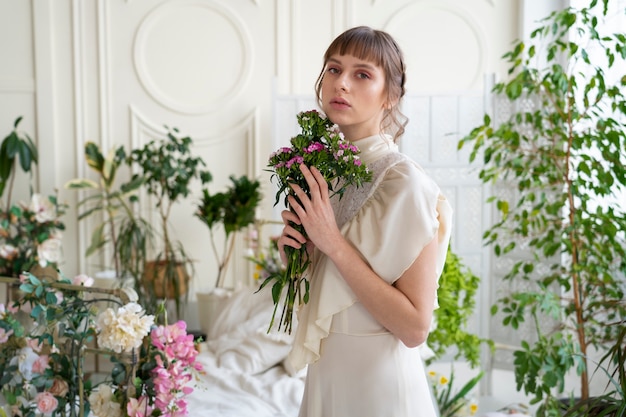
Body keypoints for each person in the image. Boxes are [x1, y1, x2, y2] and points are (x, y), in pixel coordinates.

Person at [277, 26, 452, 417]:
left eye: (362, 74)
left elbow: (414, 329)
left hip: (380, 392)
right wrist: (299, 255)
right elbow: (332, 298)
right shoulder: (326, 174)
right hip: (327, 380)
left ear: (391, 95)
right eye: (334, 69)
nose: (341, 83)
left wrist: (333, 243)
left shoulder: (405, 183)